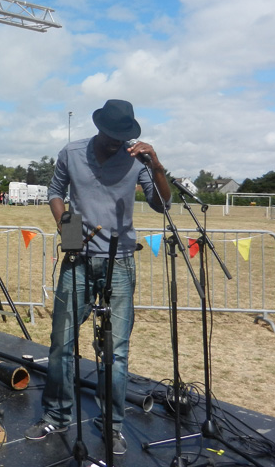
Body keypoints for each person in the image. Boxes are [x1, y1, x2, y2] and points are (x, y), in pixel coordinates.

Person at [25, 99, 170, 455]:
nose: (113, 143)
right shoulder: (71, 152)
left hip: (120, 263)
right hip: (78, 259)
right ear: (99, 128)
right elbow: (55, 192)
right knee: (62, 344)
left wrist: (158, 165)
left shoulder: (138, 159)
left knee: (115, 352)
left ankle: (112, 425)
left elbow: (162, 204)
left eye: (120, 138)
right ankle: (57, 416)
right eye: (109, 136)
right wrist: (66, 228)